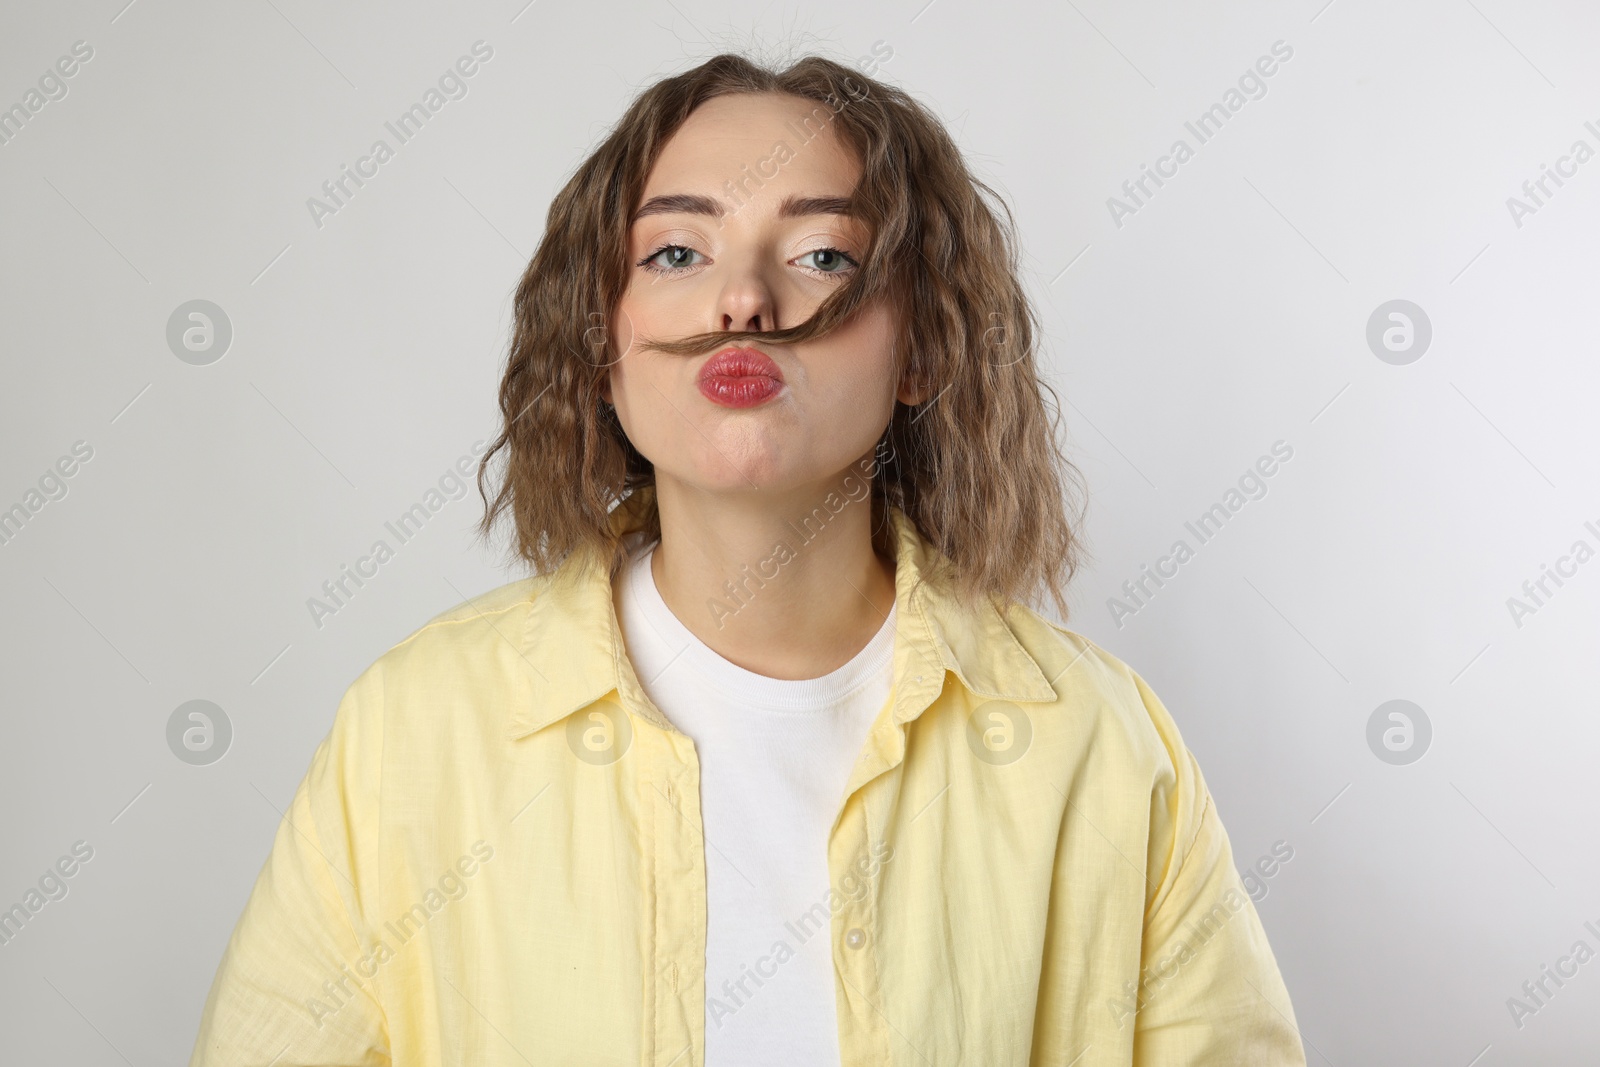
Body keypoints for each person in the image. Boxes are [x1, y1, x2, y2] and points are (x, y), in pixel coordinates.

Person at [189, 50, 1306, 1067]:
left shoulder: (1102, 749)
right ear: (600, 346)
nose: (743, 300)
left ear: (920, 348)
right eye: (676, 251)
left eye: (823, 253)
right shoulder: (411, 733)